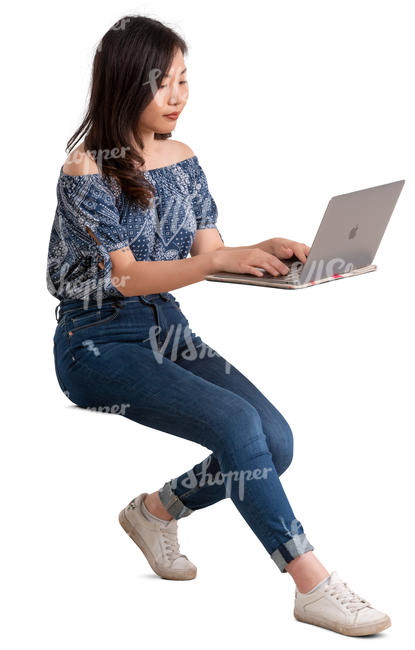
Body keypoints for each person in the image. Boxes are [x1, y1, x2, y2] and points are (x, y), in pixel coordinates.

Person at [47, 14, 391, 637]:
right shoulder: (85, 170)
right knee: (237, 424)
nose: (179, 96)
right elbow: (127, 276)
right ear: (125, 84)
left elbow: (208, 251)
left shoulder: (182, 158)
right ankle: (311, 583)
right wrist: (215, 259)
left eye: (185, 79)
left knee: (275, 440)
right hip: (95, 342)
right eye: (164, 82)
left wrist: (266, 255)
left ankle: (154, 512)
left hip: (166, 326)